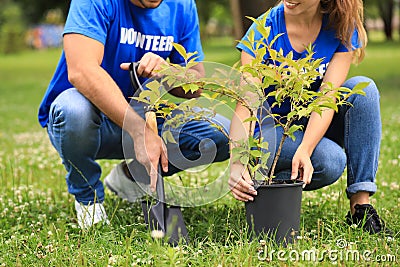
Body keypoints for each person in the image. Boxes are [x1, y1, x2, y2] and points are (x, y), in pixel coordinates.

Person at [38, 0, 229, 229]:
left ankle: (129, 178)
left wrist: (168, 72)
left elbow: (196, 85)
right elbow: (82, 71)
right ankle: (88, 198)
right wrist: (139, 131)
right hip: (91, 122)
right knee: (73, 110)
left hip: (146, 117)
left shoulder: (182, 5)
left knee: (222, 131)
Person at [230, 0, 390, 235]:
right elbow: (247, 103)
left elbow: (327, 98)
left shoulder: (340, 25)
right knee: (330, 160)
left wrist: (305, 148)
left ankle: (361, 208)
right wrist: (237, 161)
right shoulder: (263, 30)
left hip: (313, 123)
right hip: (274, 132)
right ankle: (261, 185)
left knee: (364, 90)